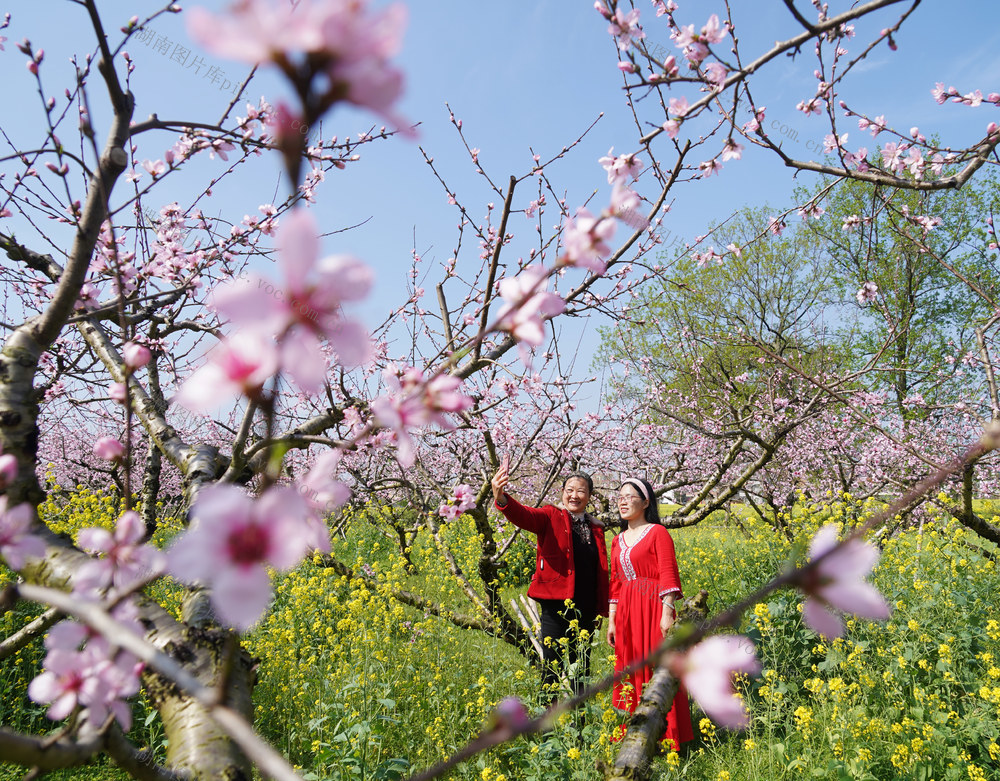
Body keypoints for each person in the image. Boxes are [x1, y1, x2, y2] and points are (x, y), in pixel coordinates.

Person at [491, 456, 609, 702]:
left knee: (581, 668)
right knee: (552, 667)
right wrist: (501, 498)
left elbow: (600, 569)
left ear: (589, 496)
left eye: (581, 491)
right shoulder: (550, 516)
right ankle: (547, 721)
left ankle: (580, 720)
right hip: (555, 605)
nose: (574, 495)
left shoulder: (595, 528)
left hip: (586, 607)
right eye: (569, 490)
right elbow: (524, 515)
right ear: (562, 493)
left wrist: (601, 607)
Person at [607, 477, 693, 749]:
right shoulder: (617, 540)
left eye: (629, 497)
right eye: (620, 497)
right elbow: (615, 583)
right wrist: (612, 620)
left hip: (653, 607)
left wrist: (667, 613)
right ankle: (632, 735)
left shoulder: (658, 532)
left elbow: (668, 574)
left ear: (645, 502)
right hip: (626, 613)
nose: (623, 502)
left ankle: (667, 738)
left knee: (659, 668)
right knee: (629, 668)